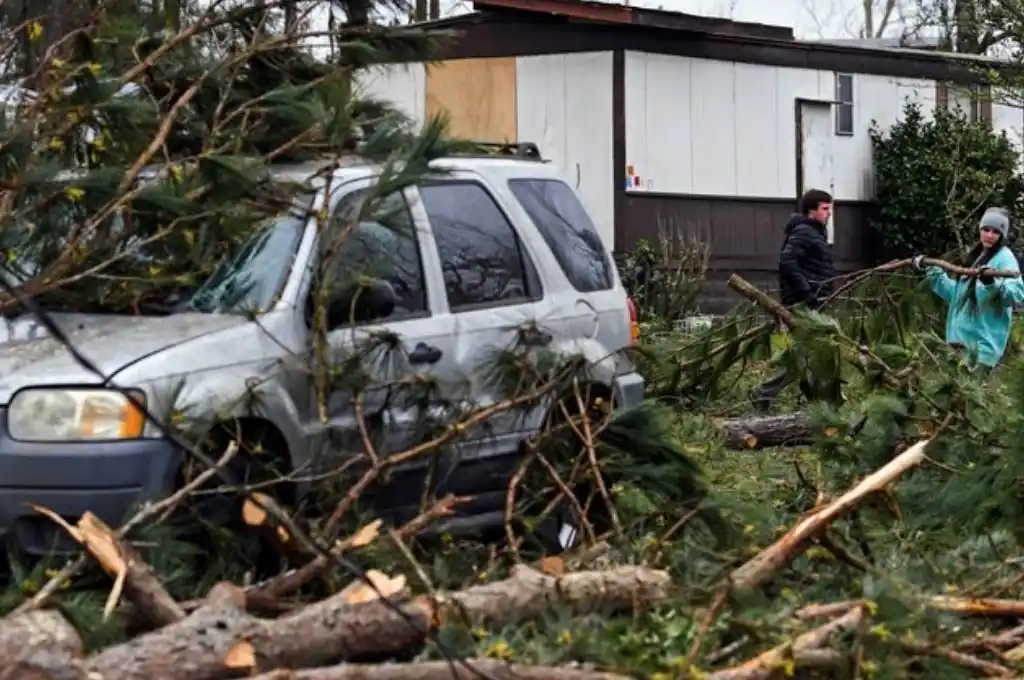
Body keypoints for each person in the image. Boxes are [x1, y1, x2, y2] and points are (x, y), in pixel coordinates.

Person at [750, 189, 835, 411]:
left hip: (815, 302)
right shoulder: (804, 232)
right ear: (811, 210)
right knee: (806, 353)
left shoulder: (815, 233)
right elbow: (787, 261)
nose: (830, 213)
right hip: (803, 304)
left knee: (812, 352)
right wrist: (807, 294)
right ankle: (764, 393)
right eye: (825, 209)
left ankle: (818, 401)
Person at [913, 207, 1024, 370]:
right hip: (958, 345)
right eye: (986, 229)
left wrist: (991, 283)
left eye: (995, 232)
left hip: (981, 350)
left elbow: (1016, 295)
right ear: (980, 229)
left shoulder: (1004, 258)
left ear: (1002, 236)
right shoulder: (976, 256)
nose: (989, 235)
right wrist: (932, 269)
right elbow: (958, 296)